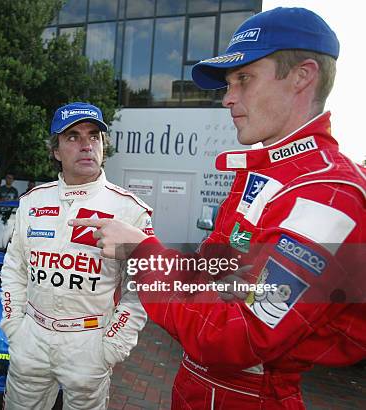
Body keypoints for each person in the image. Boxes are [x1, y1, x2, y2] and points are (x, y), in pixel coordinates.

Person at [70, 8, 365, 409]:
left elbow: (232, 334)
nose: (228, 98)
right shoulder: (262, 172)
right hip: (197, 389)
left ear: (303, 76)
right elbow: (208, 274)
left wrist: (143, 253)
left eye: (244, 79)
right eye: (229, 83)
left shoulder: (327, 195)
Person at [1, 102, 154, 409]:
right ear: (55, 150)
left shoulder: (129, 210)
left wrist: (113, 345)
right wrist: (14, 326)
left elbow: (142, 287)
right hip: (32, 336)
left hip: (90, 341)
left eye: (94, 136)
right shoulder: (32, 202)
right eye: (72, 137)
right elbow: (15, 269)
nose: (86, 145)